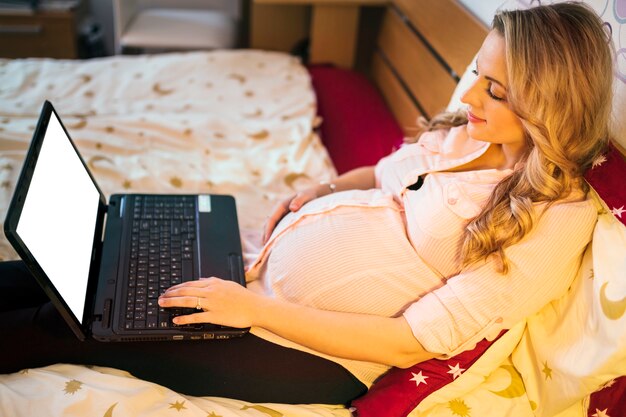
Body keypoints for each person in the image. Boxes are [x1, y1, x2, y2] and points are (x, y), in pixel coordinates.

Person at [0, 2, 614, 406]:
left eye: (496, 88)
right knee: (82, 270)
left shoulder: (552, 219)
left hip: (310, 350)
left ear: (548, 104)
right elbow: (383, 171)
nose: (472, 93)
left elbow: (410, 344)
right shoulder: (473, 132)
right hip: (258, 277)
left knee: (73, 327)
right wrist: (318, 192)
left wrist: (250, 312)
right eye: (477, 71)